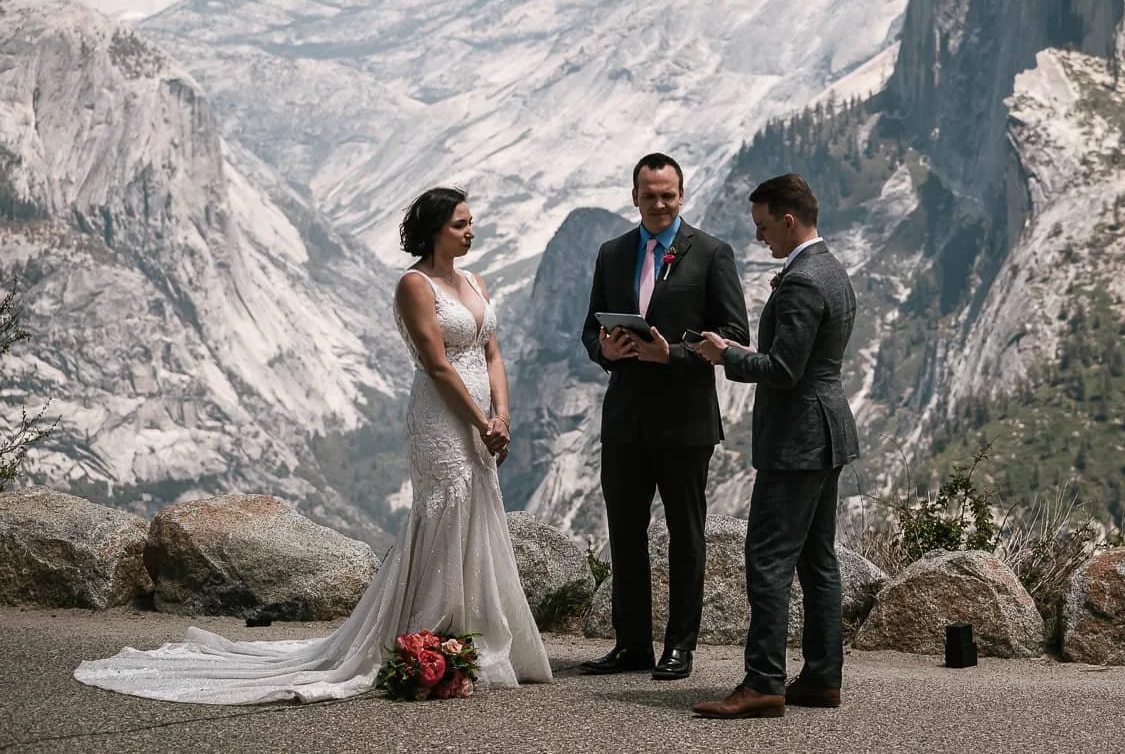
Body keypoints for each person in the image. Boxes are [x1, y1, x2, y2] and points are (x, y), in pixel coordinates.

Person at [74, 187, 553, 703]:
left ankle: (472, 634)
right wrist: (483, 422)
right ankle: (428, 632)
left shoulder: (475, 282)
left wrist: (502, 414)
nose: (471, 231)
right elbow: (437, 364)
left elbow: (491, 354)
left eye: (471, 222)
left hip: (484, 418)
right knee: (443, 512)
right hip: (443, 418)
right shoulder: (414, 285)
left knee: (479, 511)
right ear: (437, 230)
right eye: (461, 224)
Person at [689, 173, 859, 720]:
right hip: (826, 432)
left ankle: (763, 681)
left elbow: (784, 370)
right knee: (817, 560)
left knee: (767, 560)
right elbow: (802, 359)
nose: (761, 238)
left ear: (789, 220)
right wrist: (744, 348)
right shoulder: (831, 269)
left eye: (764, 228)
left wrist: (726, 357)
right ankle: (821, 676)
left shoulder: (804, 280)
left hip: (798, 438)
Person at [579, 153, 749, 681]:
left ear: (682, 196)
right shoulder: (612, 253)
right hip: (625, 420)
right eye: (648, 194)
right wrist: (605, 352)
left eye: (667, 195)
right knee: (625, 534)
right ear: (634, 196)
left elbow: (735, 337)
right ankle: (632, 644)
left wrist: (671, 354)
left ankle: (680, 646)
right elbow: (589, 330)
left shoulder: (713, 254)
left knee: (686, 534)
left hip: (684, 420)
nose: (658, 203)